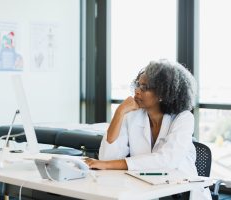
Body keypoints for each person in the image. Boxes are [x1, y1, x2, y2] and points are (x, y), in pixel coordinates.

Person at [85, 59, 212, 199]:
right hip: (144, 190)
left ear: (163, 94)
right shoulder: (133, 116)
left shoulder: (183, 118)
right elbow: (107, 157)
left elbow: (167, 161)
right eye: (138, 85)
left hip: (181, 193)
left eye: (144, 87)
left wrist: (107, 165)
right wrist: (119, 113)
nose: (137, 91)